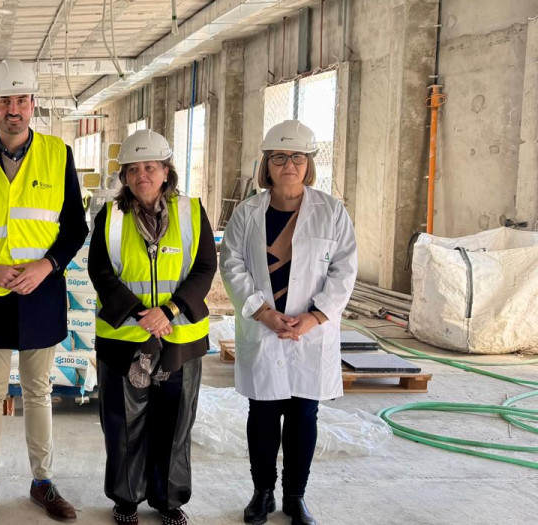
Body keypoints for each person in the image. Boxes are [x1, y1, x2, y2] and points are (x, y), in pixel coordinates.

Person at [0, 58, 89, 525]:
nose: (14, 109)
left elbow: (75, 226)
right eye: (5, 100)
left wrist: (47, 265)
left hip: (41, 293)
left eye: (21, 100)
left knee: (38, 391)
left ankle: (42, 482)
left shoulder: (57, 154)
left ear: (33, 104)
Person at [220, 120, 357, 525]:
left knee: (303, 417)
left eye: (298, 157)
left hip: (309, 334)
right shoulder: (248, 213)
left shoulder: (331, 212)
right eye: (279, 157)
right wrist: (262, 312)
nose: (289, 165)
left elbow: (345, 269)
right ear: (267, 164)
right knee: (262, 417)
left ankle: (295, 497)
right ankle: (262, 493)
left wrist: (315, 316)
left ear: (309, 164)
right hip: (264, 328)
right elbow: (232, 265)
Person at [89, 130, 216, 525]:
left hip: (179, 337)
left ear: (165, 170)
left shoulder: (191, 211)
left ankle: (169, 499)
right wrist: (142, 313)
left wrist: (170, 311)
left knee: (175, 423)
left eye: (150, 167)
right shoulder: (110, 216)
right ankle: (126, 497)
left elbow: (205, 267)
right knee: (123, 424)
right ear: (124, 176)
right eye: (133, 169)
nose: (141, 175)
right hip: (125, 338)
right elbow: (100, 272)